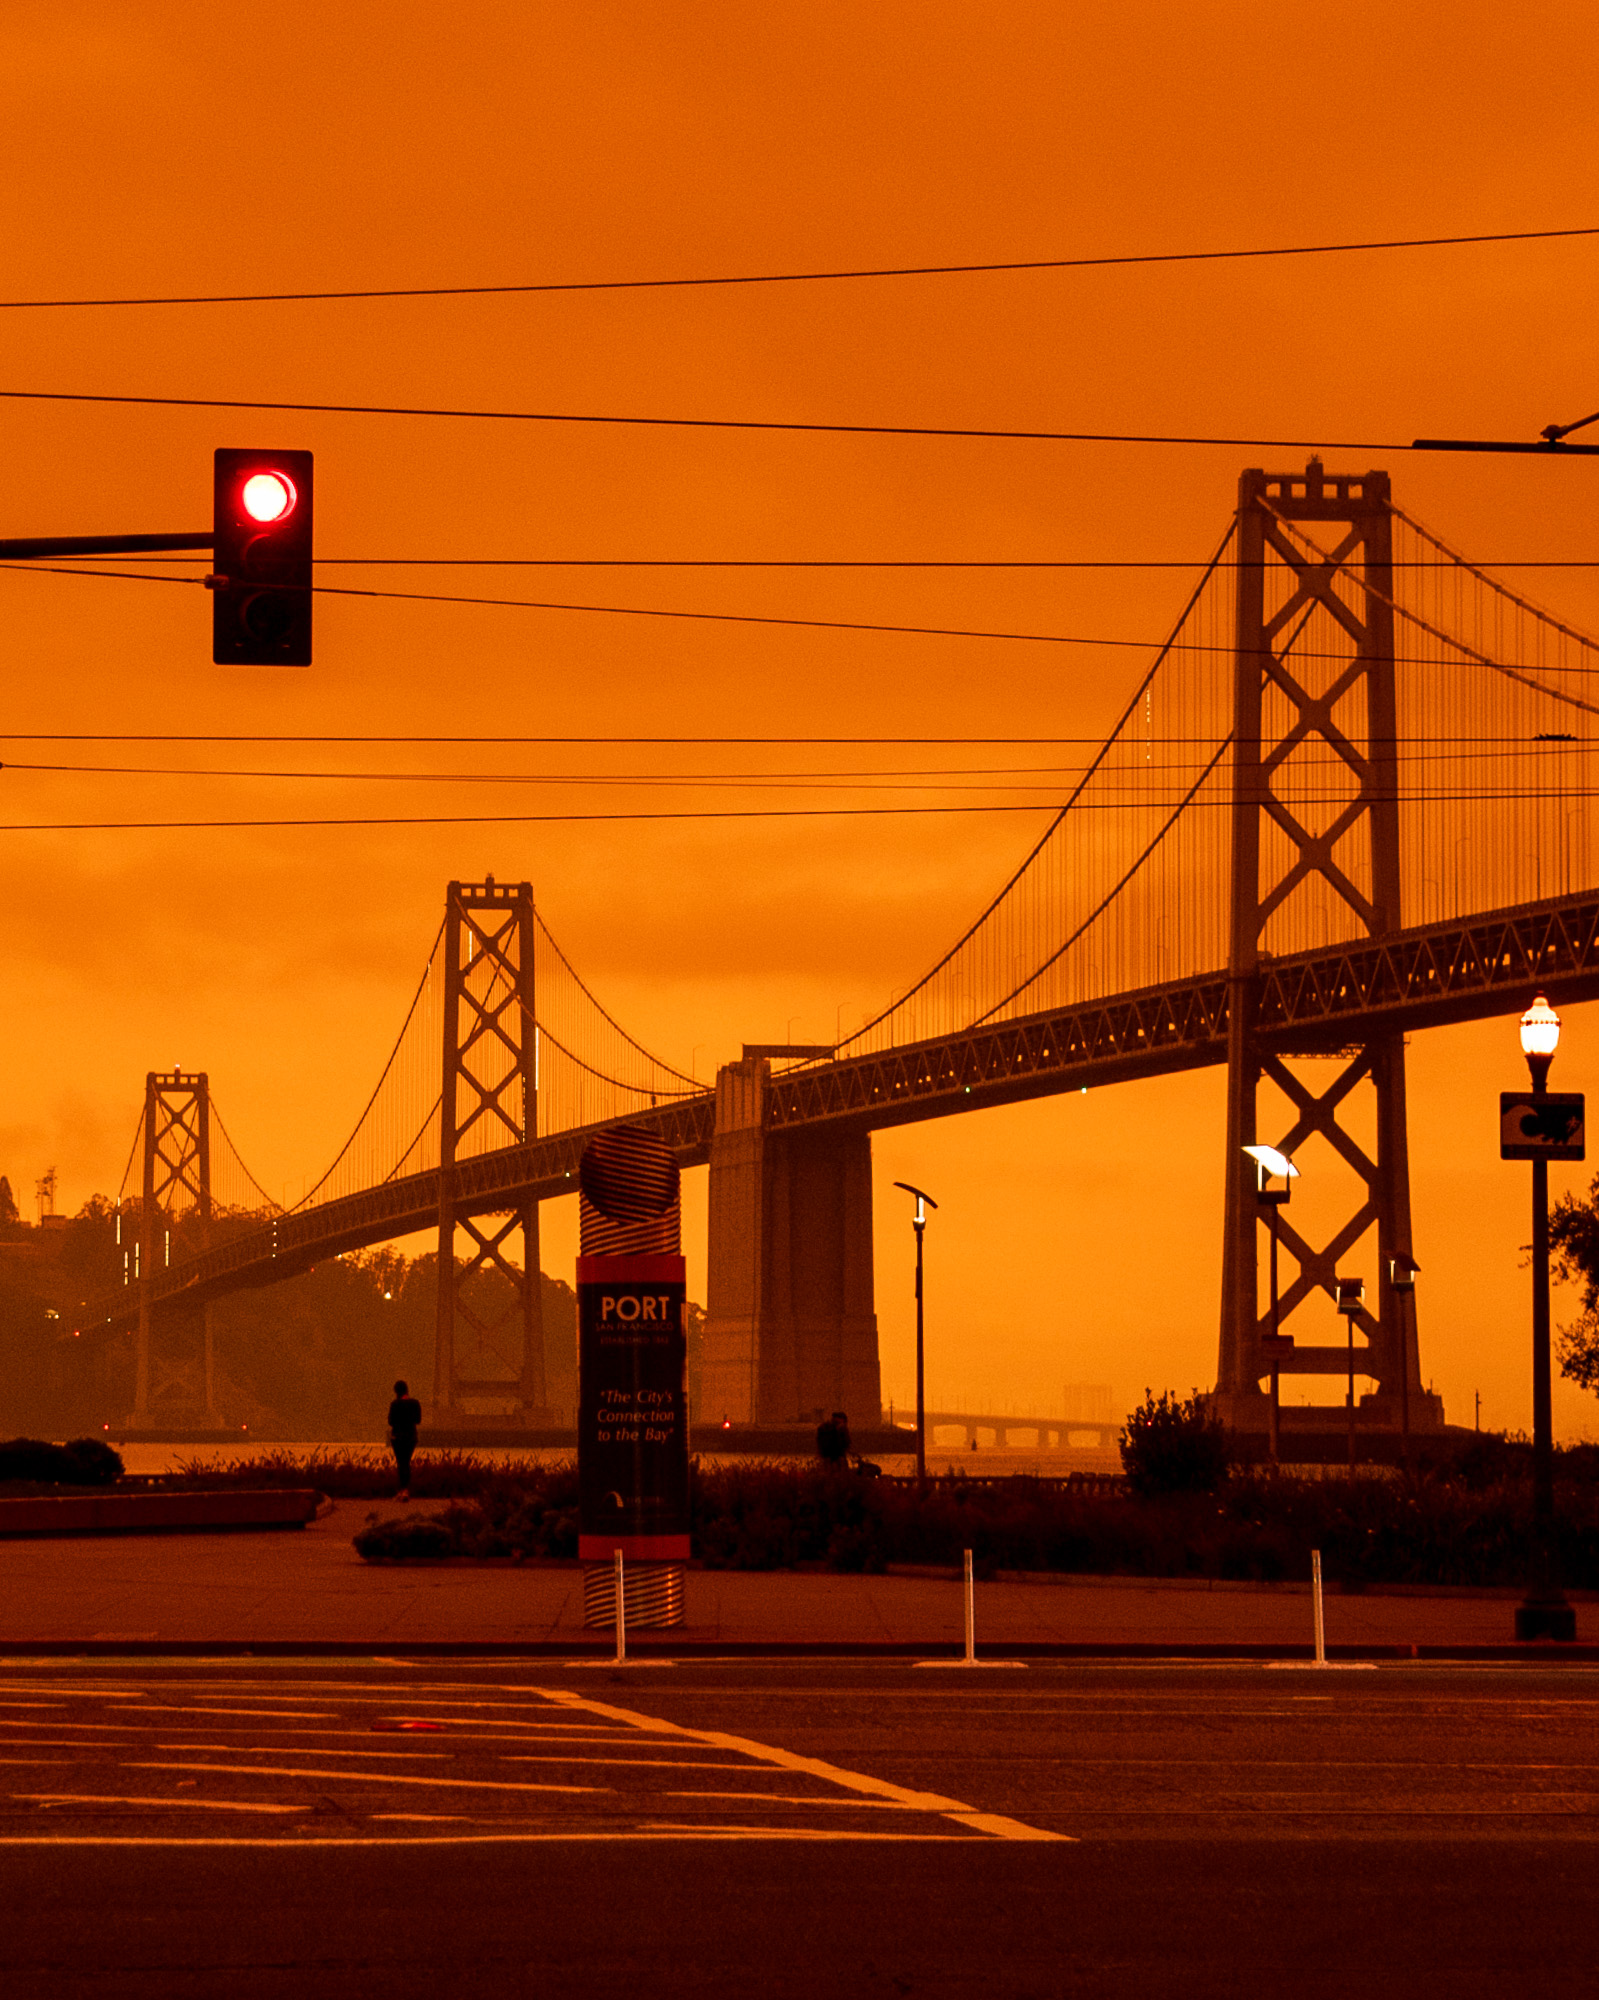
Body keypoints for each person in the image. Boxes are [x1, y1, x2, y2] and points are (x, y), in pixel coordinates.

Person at [387, 1379, 422, 1498]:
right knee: (406, 1462)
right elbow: (418, 1420)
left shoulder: (395, 1404)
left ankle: (402, 1489)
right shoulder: (415, 1403)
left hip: (398, 1437)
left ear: (396, 1391)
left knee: (401, 1463)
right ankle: (405, 1489)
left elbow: (391, 1422)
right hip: (411, 1436)